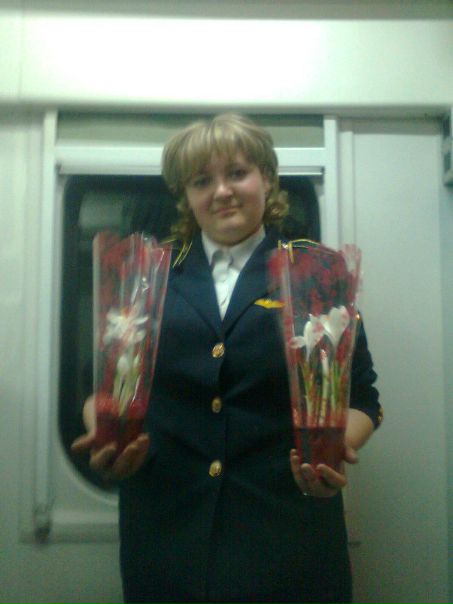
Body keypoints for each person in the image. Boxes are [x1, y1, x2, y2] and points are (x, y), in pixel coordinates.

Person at [72, 113, 382, 604]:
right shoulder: (146, 274)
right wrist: (107, 442)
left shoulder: (316, 273)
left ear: (267, 179)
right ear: (186, 195)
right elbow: (102, 389)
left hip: (287, 534)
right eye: (202, 181)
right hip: (169, 533)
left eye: (237, 173)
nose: (221, 191)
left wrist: (329, 457)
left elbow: (364, 399)